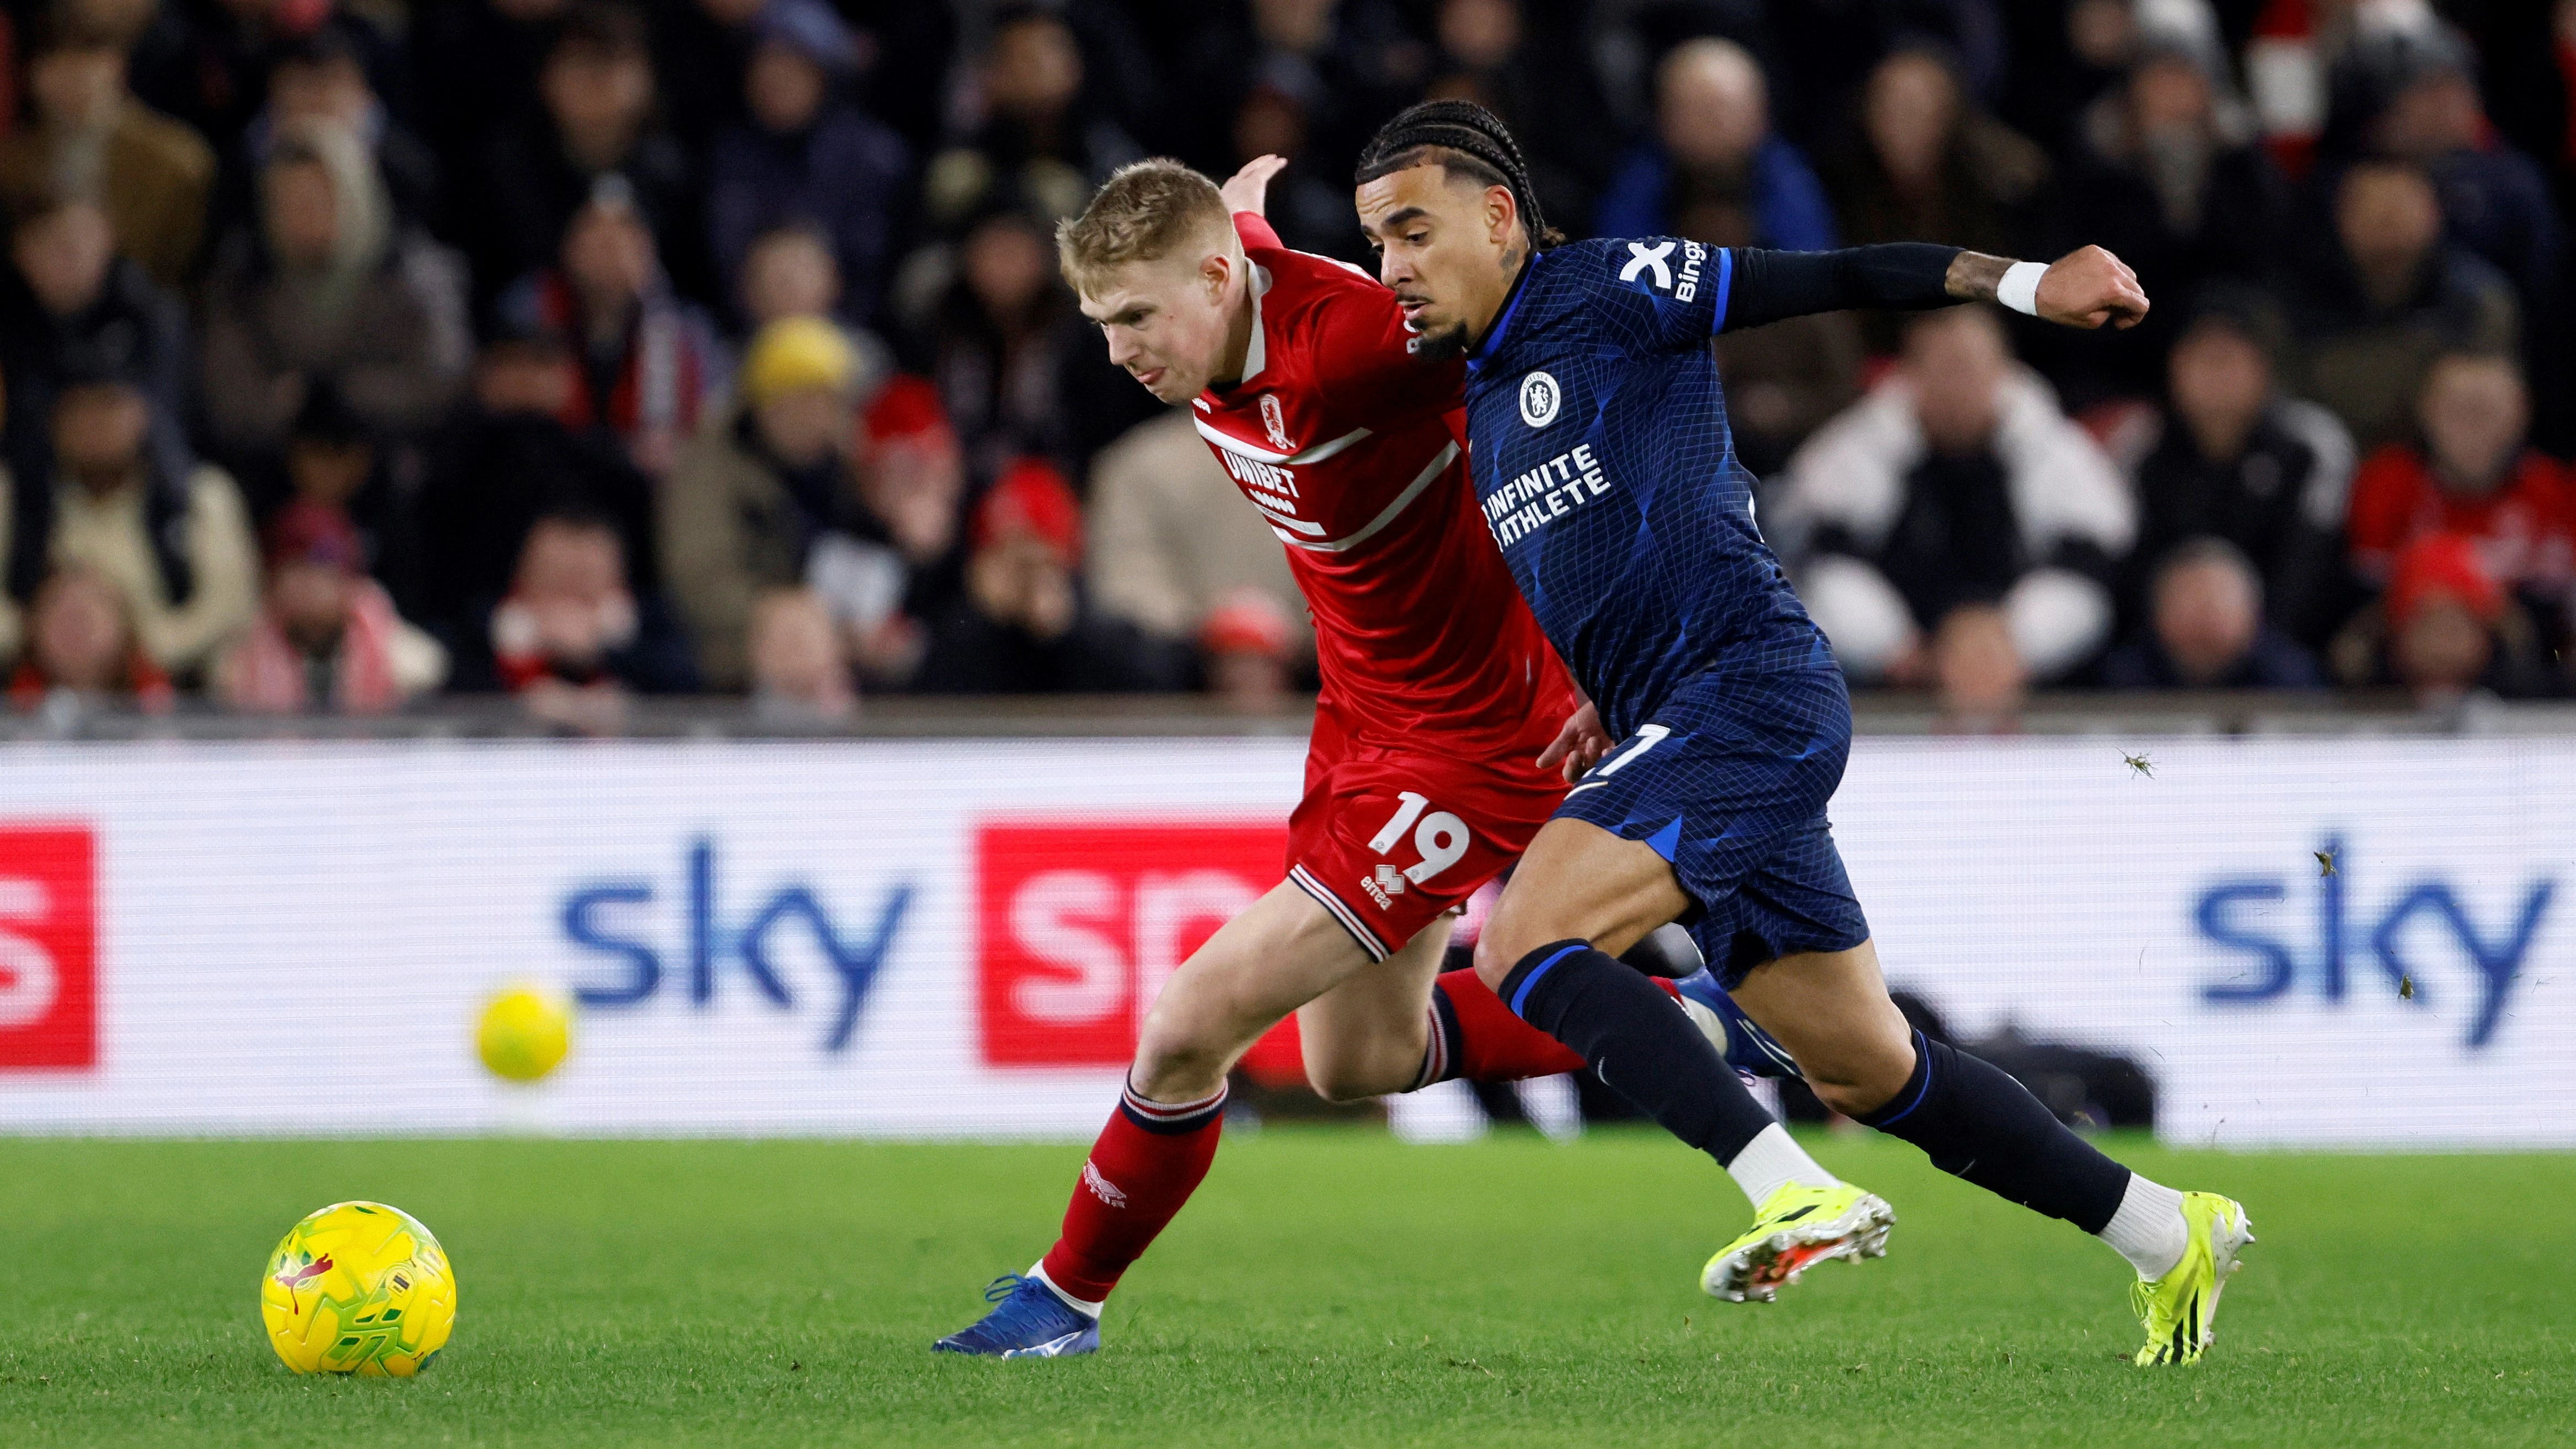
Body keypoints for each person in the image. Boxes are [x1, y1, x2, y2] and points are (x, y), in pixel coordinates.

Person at [1349, 99, 2247, 1364]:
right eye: (1375, 242)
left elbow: (1829, 276)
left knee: (1528, 936)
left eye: (1410, 230)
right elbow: (1612, 546)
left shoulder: (1607, 287)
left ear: (1499, 218)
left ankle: (1789, 1188)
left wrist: (2029, 281)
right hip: (1681, 720)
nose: (1391, 266)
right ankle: (2166, 1229)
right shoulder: (1485, 390)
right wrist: (1592, 692)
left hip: (1748, 694)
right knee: (1869, 1070)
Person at [933, 157, 1620, 1358]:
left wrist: (1599, 648)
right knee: (1359, 1059)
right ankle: (1732, 1022)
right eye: (1100, 325)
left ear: (1214, 279)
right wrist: (1241, 193)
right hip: (1364, 719)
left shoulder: (1360, 345)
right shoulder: (1223, 297)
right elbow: (1239, 223)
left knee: (1191, 1017)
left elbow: (1555, 376)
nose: (1121, 352)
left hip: (1470, 741)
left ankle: (1061, 1299)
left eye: (1137, 317)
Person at [1771, 307, 2135, 689]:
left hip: (2026, 678)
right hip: (1884, 680)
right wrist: (1892, 648)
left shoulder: (2055, 450)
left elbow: (2088, 579)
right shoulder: (1850, 452)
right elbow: (1817, 573)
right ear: (1908, 374)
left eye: (1968, 368)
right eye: (1941, 369)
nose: (1955, 386)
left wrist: (2009, 646)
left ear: (2001, 371)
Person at [197, 121, 473, 470]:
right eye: (286, 201)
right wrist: (298, 411)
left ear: (354, 196)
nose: (301, 215)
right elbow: (228, 401)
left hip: (400, 467)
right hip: (276, 472)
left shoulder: (414, 274)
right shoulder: (243, 279)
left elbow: (441, 383)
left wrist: (335, 392)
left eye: (316, 198)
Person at [2120, 292, 2357, 649]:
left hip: (2278, 643)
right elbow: (2130, 561)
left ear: (2262, 370)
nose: (2216, 378)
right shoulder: (2138, 447)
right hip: (2161, 647)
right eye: (2203, 360)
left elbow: (2312, 565)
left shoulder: (2309, 446)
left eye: (2229, 360)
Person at [660, 316, 872, 690]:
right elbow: (700, 578)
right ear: (764, 404)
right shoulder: (710, 467)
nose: (818, 417)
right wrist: (778, 614)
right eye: (803, 400)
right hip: (738, 646)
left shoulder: (852, 465)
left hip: (841, 643)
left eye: (830, 401)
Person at [0, 373, 256, 678]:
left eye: (110, 404)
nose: (94, 422)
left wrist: (134, 645)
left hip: (174, 693)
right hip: (28, 694)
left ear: (143, 409)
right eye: (79, 405)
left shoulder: (199, 495)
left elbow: (231, 610)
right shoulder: (13, 495)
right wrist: (35, 632)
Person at [909, 456, 1172, 695]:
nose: (1025, 581)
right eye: (1008, 561)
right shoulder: (957, 624)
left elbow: (1150, 687)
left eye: (1036, 562)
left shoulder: (1099, 626)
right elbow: (926, 697)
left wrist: (1066, 631)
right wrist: (982, 619)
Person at [0, 12, 215, 290]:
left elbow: (185, 276)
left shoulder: (180, 163)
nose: (73, 76)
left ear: (117, 64)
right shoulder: (10, 163)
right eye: (56, 60)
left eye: (86, 59)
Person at [1594, 38, 1836, 253]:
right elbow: (1615, 278)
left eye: (1724, 108)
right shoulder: (1639, 181)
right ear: (1662, 117)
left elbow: (1809, 273)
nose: (1713, 123)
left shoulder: (1789, 180)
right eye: (1695, 109)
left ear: (1761, 115)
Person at [214, 499, 446, 714]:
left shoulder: (401, 661)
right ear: (274, 582)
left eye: (324, 571)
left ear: (349, 580)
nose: (312, 585)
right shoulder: (239, 665)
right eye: (297, 569)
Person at [2100, 538, 2325, 690]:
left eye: (2215, 606)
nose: (2203, 622)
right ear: (2157, 614)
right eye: (2188, 605)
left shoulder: (2292, 681)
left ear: (2253, 613)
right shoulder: (2120, 680)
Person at [7, 563, 174, 713]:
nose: (75, 627)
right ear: (33, 629)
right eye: (59, 611)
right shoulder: (13, 704)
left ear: (127, 626)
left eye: (89, 616)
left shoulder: (163, 703)